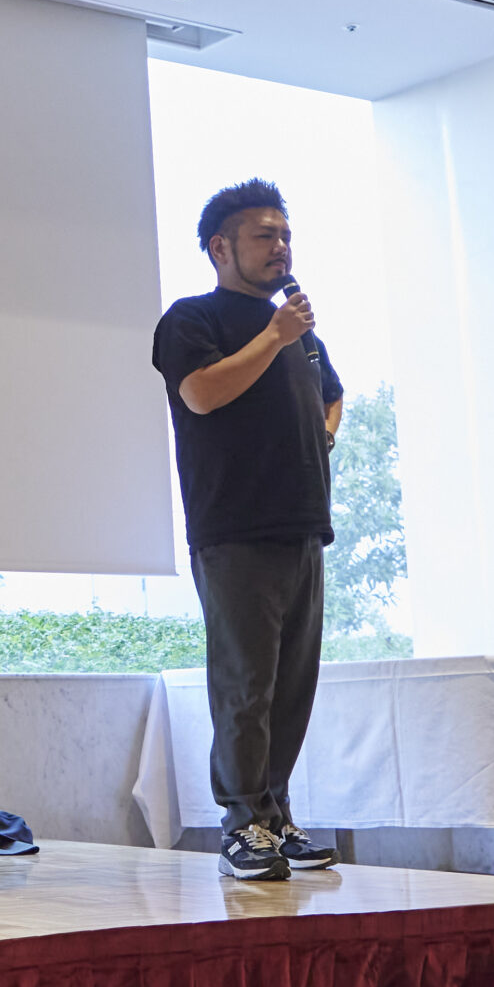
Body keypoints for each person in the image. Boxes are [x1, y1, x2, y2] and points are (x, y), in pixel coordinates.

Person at [151, 180, 344, 882]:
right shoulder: (192, 319)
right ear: (220, 248)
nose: (280, 247)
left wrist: (321, 437)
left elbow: (332, 394)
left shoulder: (297, 330)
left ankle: (275, 816)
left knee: (292, 685)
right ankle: (241, 824)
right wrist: (273, 336)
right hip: (234, 528)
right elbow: (201, 394)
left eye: (285, 235)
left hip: (303, 525)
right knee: (246, 683)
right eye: (265, 235)